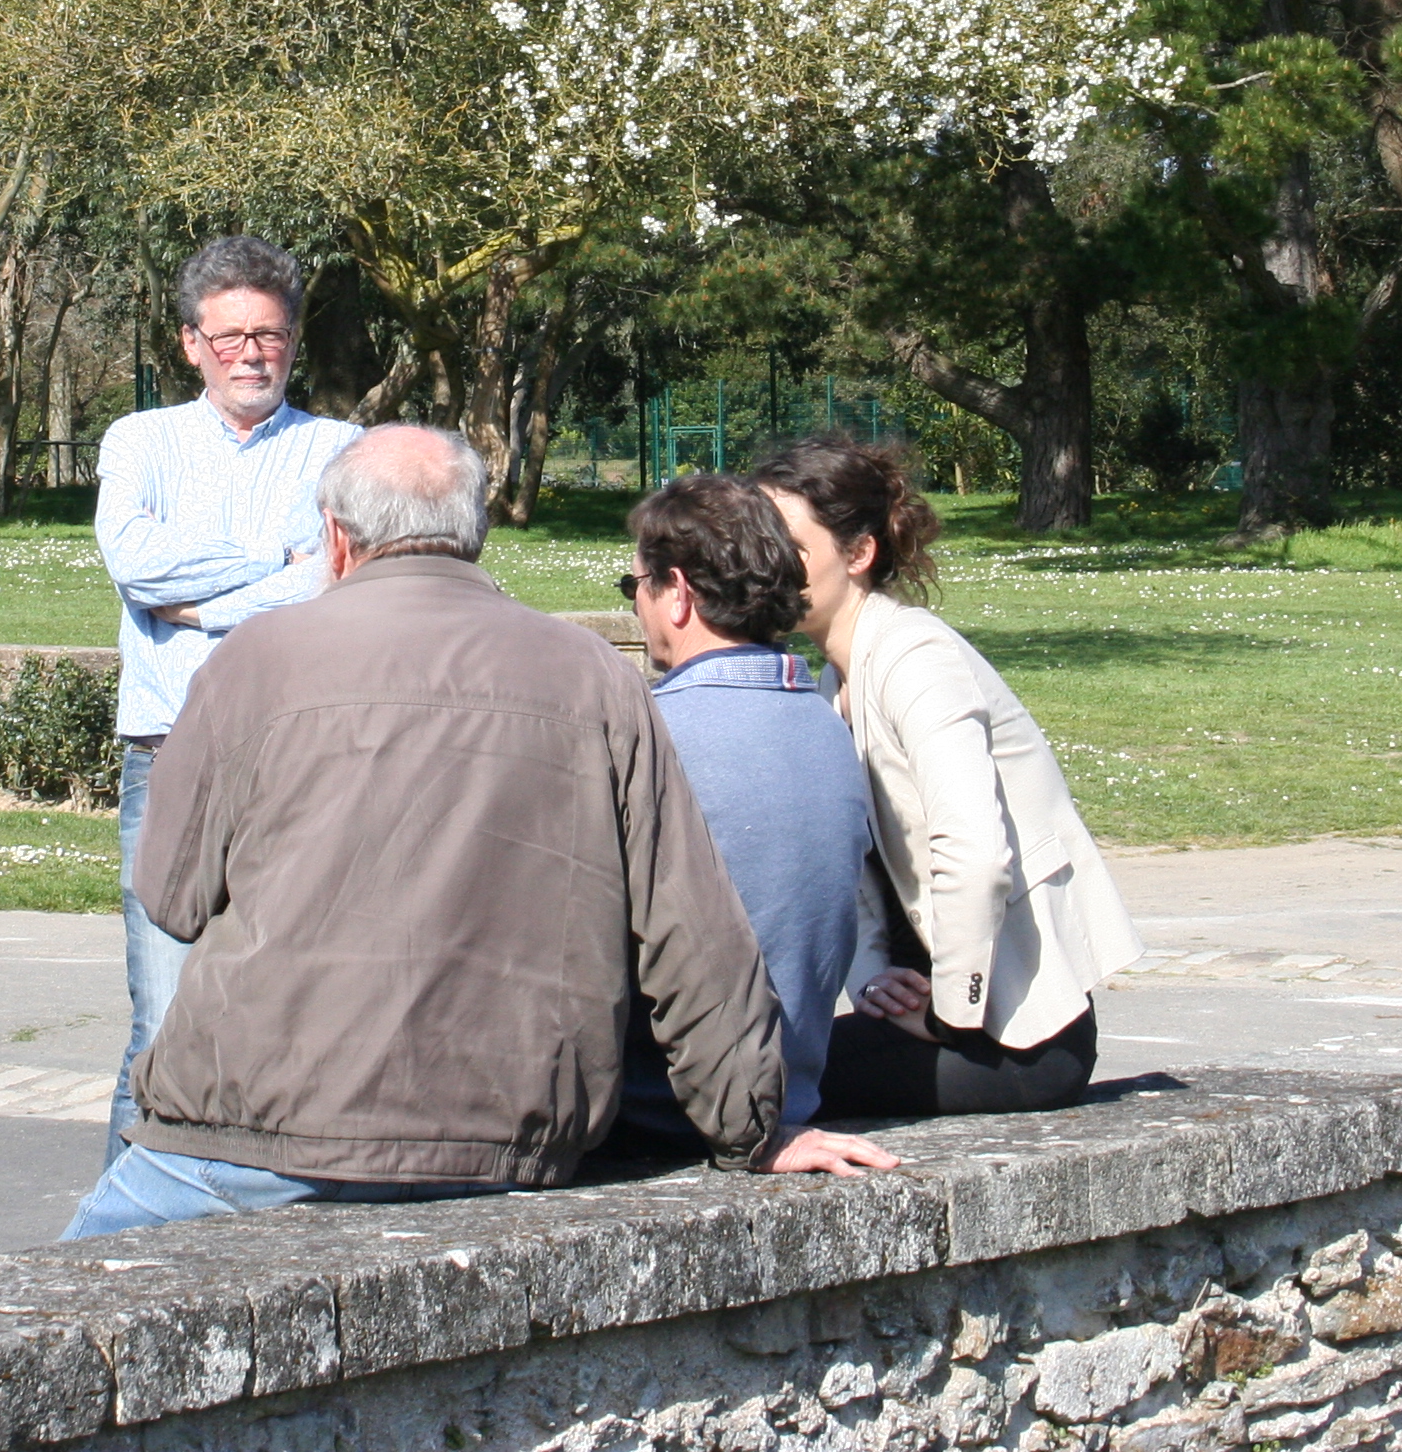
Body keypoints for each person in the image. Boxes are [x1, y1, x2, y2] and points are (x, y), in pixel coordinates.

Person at [63, 426, 896, 1238]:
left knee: (62, 1315)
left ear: (337, 540)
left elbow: (170, 894)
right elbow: (691, 928)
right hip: (510, 1134)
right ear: (476, 534)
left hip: (258, 1129)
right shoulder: (594, 674)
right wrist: (752, 1130)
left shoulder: (257, 656)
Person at [755, 438, 1141, 1116]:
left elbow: (975, 854)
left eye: (787, 547)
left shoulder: (915, 656)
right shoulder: (836, 678)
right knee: (741, 1076)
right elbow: (859, 872)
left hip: (1013, 1044)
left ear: (858, 553)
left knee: (748, 1089)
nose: (763, 569)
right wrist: (874, 982)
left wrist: (947, 1013)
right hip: (940, 1025)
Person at [87, 238, 362, 1150]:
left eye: (271, 334)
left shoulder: (340, 451)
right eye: (231, 334)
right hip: (167, 756)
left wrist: (196, 604)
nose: (253, 352)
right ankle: (114, 1246)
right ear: (191, 344)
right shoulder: (140, 441)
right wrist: (267, 566)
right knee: (163, 1024)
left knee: (290, 1016)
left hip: (296, 764)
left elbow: (335, 578)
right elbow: (133, 561)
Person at [611, 474, 871, 1147]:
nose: (637, 605)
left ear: (680, 594)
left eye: (636, 586)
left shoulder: (651, 739)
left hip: (659, 1110)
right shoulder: (827, 725)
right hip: (792, 1092)